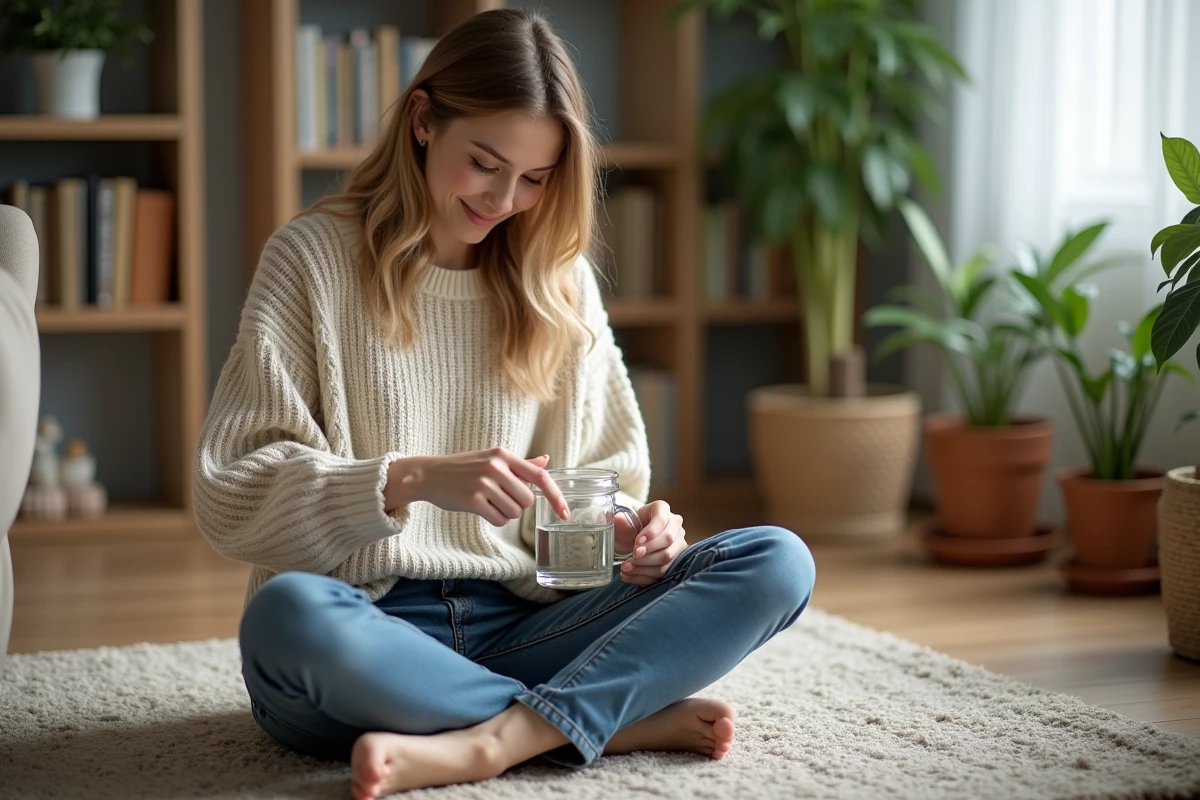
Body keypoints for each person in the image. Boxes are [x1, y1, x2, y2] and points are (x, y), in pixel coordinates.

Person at [193, 8, 816, 799]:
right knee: (285, 618)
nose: (504, 200)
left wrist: (631, 531)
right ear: (423, 121)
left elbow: (598, 482)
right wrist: (408, 479)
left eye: (534, 178)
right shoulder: (311, 261)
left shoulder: (560, 283)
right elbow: (230, 491)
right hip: (372, 635)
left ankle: (497, 742)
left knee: (775, 559)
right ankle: (594, 722)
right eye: (484, 164)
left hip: (527, 628)